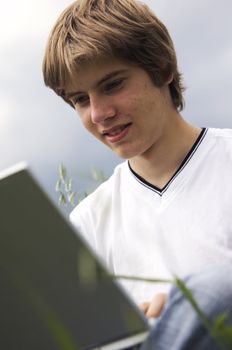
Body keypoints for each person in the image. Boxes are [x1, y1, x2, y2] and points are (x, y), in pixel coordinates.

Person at [42, 0, 232, 348]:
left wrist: (184, 308)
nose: (99, 113)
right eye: (81, 100)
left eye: (112, 85)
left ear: (163, 70)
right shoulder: (90, 220)